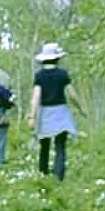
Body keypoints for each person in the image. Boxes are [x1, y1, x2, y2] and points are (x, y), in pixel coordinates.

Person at [28, 42, 86, 180]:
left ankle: (43, 175)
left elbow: (35, 97)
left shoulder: (39, 76)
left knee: (44, 145)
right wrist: (81, 108)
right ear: (57, 58)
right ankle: (58, 176)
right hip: (61, 113)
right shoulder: (62, 74)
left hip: (45, 113)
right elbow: (72, 94)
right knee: (60, 146)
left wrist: (32, 116)